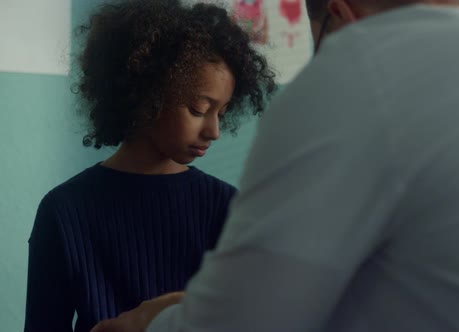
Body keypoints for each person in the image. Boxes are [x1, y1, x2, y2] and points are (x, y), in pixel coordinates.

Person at [93, 0, 459, 331]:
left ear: (338, 17)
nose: (215, 132)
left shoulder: (362, 63)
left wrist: (146, 322)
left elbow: (247, 322)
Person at [24, 0, 276, 331]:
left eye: (222, 112)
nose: (214, 131)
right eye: (199, 109)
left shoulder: (227, 208)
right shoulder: (64, 211)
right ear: (146, 95)